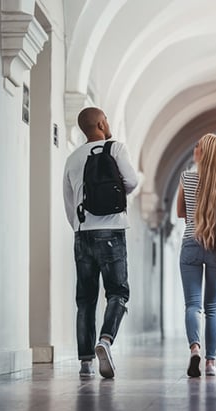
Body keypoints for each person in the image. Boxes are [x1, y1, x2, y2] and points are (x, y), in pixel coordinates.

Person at [63, 107, 139, 378]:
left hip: (82, 234)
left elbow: (69, 203)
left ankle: (85, 362)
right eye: (105, 119)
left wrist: (81, 226)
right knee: (117, 292)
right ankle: (105, 341)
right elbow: (132, 181)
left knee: (85, 299)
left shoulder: (72, 157)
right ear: (101, 123)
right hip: (112, 231)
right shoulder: (115, 148)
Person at [176, 133, 216, 377]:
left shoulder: (186, 177)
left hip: (190, 243)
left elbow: (181, 213)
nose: (194, 148)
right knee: (212, 308)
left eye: (197, 146)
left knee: (193, 305)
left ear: (203, 154)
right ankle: (210, 363)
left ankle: (194, 349)